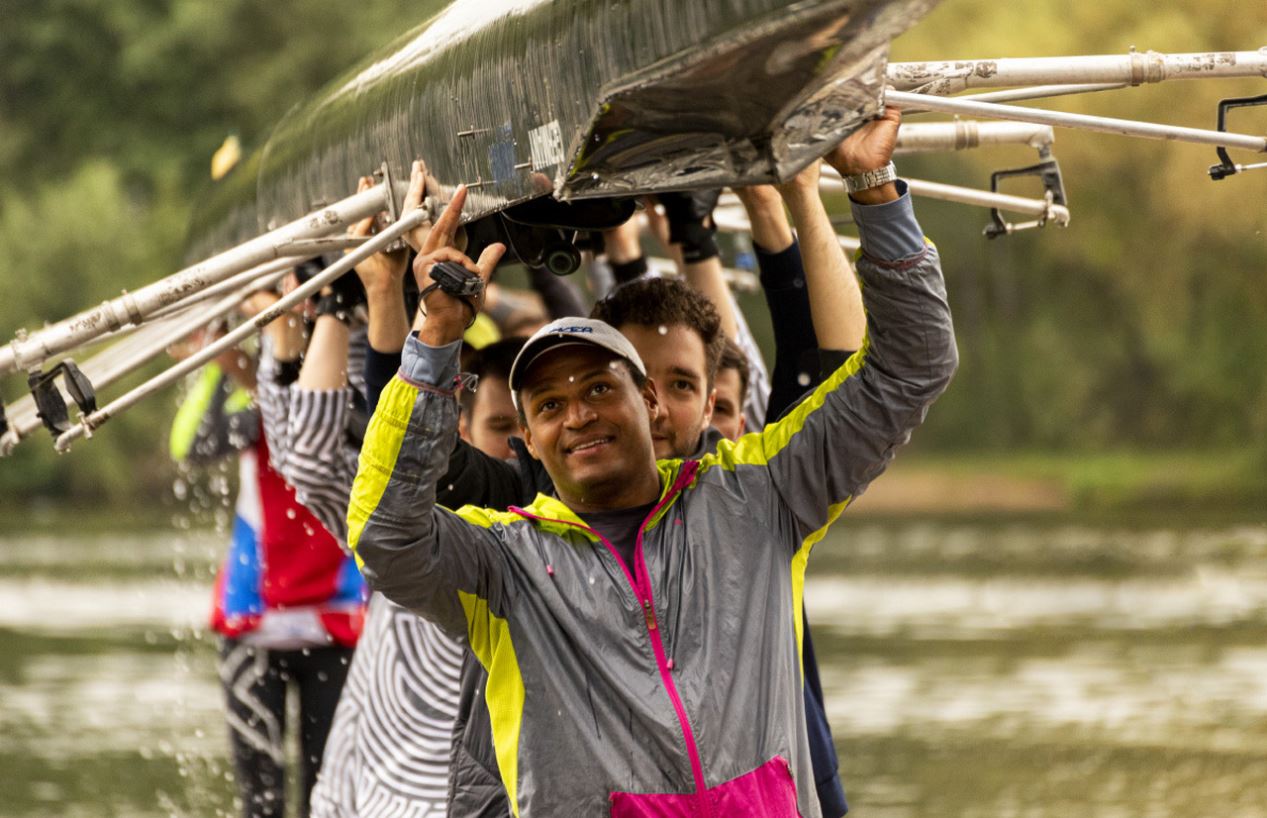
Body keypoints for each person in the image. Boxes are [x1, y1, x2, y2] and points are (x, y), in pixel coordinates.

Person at [348, 108, 958, 816]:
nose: (576, 414)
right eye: (547, 405)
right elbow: (384, 538)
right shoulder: (502, 563)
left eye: (599, 388)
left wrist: (873, 187)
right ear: (528, 437)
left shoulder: (759, 494)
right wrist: (432, 338)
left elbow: (907, 370)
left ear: (648, 403)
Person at [169, 337, 363, 818]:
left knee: (330, 797)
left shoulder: (352, 389)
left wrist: (244, 367)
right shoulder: (251, 407)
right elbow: (189, 445)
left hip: (337, 619)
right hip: (254, 618)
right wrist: (218, 357)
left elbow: (342, 421)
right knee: (261, 802)